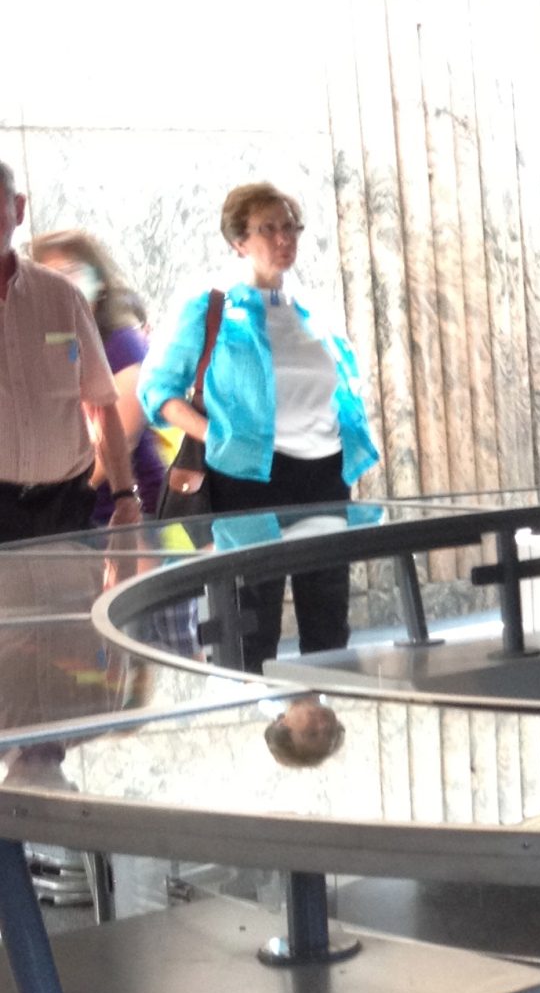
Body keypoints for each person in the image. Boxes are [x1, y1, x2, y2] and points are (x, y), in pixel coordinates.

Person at [139, 181, 378, 672]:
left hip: (324, 473)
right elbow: (158, 392)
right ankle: (253, 702)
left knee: (328, 614)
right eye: (268, 228)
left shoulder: (310, 309)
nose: (284, 238)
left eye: (291, 226)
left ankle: (322, 702)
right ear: (239, 241)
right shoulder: (210, 307)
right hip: (247, 477)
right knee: (251, 617)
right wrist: (216, 435)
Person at [0, 162, 141, 540]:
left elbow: (101, 403)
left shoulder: (61, 295)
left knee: (75, 584)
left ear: (18, 209)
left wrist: (124, 494)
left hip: (66, 504)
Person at [27, 229, 166, 519]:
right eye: (47, 275)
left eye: (70, 272)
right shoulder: (48, 344)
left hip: (121, 512)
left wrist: (55, 507)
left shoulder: (122, 345)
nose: (60, 284)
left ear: (99, 281)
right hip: (67, 511)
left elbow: (122, 437)